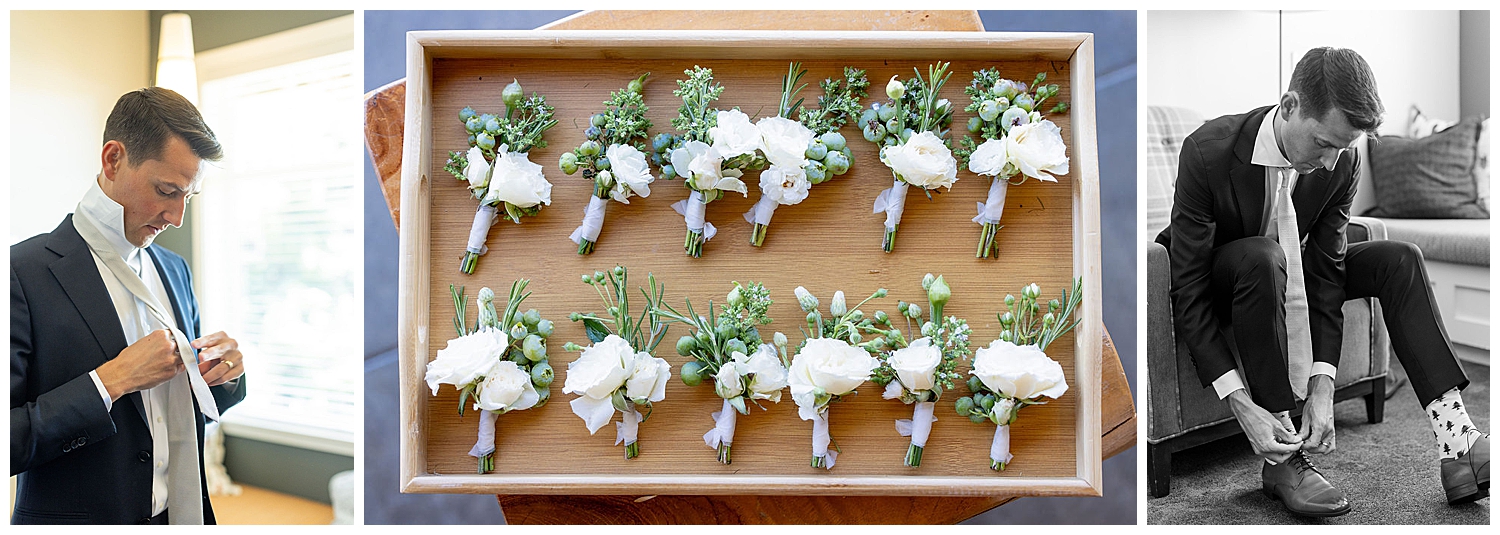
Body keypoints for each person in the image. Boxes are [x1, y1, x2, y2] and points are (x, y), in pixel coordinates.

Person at [1155, 47, 1488, 517]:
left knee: (1398, 258)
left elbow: (1327, 270)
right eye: (1324, 144)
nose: (1332, 162)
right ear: (1290, 106)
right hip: (1227, 277)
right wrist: (1240, 403)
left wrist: (1323, 384)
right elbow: (1187, 286)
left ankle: (1459, 443)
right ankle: (1284, 459)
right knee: (1261, 256)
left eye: (1344, 148)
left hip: (1290, 270)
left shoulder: (1341, 163)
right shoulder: (1207, 152)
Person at [11, 87, 248, 525]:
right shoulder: (20, 274)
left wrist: (225, 376)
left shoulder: (175, 270)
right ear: (113, 159)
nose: (176, 217)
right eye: (166, 190)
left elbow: (182, 412)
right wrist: (110, 381)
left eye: (188, 197)